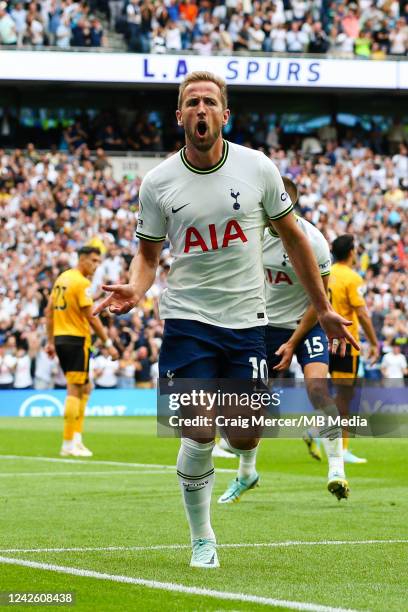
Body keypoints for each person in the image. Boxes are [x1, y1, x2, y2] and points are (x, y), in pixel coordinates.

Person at [94, 71, 357, 569]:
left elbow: (296, 239)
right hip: (189, 319)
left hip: (246, 323)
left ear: (224, 115)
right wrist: (135, 286)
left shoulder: (258, 168)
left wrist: (322, 307)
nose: (200, 109)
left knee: (243, 435)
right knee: (197, 429)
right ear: (179, 116)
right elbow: (147, 255)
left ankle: (241, 465)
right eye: (191, 102)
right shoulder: (158, 182)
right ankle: (203, 538)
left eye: (209, 102)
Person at [218, 178, 349, 504]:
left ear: (289, 205)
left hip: (305, 327)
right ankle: (247, 473)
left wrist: (293, 341)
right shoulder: (253, 235)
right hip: (262, 327)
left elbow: (320, 299)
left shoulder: (314, 242)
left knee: (317, 389)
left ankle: (337, 469)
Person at [45, 246, 118, 458]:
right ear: (82, 259)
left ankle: (76, 439)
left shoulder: (62, 278)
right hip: (76, 339)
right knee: (75, 389)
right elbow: (92, 316)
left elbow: (49, 311)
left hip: (60, 338)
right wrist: (107, 342)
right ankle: (68, 442)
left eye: (98, 262)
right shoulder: (81, 282)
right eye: (93, 261)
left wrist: (50, 341)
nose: (95, 266)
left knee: (86, 387)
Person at [327, 234, 379, 464]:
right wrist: (374, 342)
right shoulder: (352, 278)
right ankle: (341, 448)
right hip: (347, 344)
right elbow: (363, 314)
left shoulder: (327, 273)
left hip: (327, 340)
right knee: (344, 399)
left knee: (331, 395)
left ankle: (321, 432)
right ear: (351, 251)